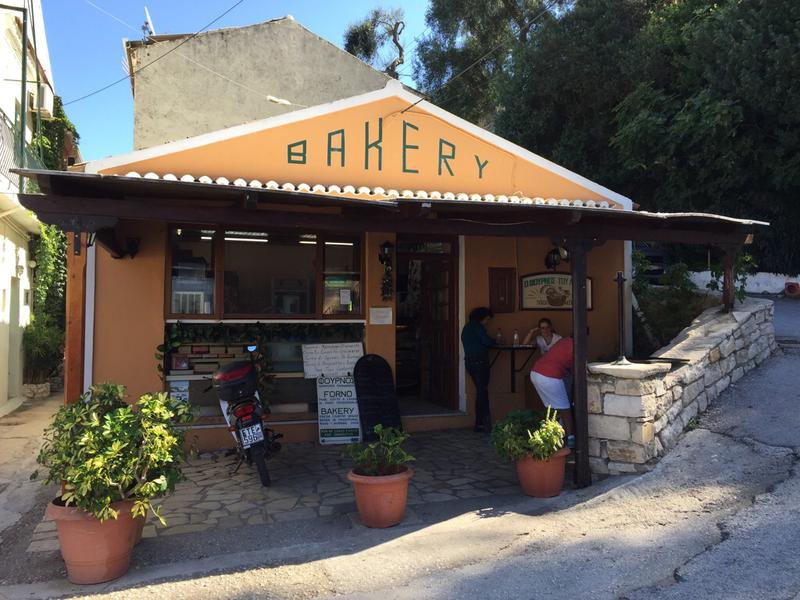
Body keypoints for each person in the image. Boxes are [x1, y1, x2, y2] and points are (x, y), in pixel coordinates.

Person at [530, 337, 575, 445]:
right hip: (550, 376)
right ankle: (571, 440)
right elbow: (576, 368)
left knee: (551, 409)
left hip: (536, 373)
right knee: (565, 409)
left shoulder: (563, 341)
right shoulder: (575, 346)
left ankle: (548, 437)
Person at [461, 307, 496, 432]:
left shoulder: (466, 328)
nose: (487, 322)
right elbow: (487, 341)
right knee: (482, 393)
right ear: (481, 318)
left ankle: (480, 423)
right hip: (480, 362)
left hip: (470, 362)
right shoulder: (477, 327)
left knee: (481, 391)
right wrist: (496, 341)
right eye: (487, 319)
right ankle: (482, 423)